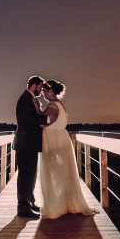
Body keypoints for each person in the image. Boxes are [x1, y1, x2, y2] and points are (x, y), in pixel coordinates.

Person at [39, 79, 95, 219]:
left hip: (53, 140)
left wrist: (36, 107)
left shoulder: (52, 105)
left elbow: (41, 121)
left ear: (51, 91)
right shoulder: (61, 105)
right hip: (62, 138)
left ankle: (55, 207)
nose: (43, 93)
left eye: (45, 91)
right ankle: (66, 204)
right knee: (63, 172)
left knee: (53, 172)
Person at [14, 75, 50, 218]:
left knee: (32, 175)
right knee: (25, 176)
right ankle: (23, 208)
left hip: (30, 144)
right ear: (33, 85)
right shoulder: (25, 99)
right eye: (40, 87)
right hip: (25, 143)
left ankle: (30, 202)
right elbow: (28, 118)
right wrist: (47, 119)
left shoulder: (30, 99)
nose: (41, 91)